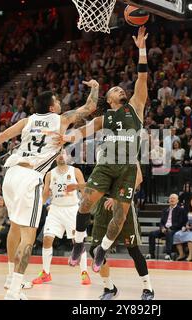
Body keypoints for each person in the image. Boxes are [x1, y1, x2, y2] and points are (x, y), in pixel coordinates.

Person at [0, 80, 100, 300]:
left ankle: (11, 278)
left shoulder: (28, 120)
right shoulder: (61, 120)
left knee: (15, 228)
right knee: (28, 236)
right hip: (30, 177)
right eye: (57, 101)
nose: (60, 103)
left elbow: (1, 137)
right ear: (51, 107)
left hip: (11, 174)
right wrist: (94, 86)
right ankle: (15, 291)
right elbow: (90, 107)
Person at [65, 27, 149, 272]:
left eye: (122, 89)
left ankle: (102, 248)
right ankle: (79, 244)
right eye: (115, 89)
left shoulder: (135, 107)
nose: (121, 90)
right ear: (109, 98)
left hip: (127, 168)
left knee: (120, 218)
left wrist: (141, 48)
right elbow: (81, 132)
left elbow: (142, 77)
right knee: (85, 205)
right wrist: (64, 138)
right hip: (106, 165)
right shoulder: (104, 118)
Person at [83, 165, 154, 300]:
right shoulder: (103, 153)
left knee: (133, 250)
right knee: (94, 250)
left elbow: (138, 178)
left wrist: (116, 197)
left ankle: (148, 288)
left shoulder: (130, 153)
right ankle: (109, 288)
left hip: (123, 203)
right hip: (103, 206)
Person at [31, 150, 91, 286]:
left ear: (67, 156)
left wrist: (87, 205)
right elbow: (45, 194)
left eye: (62, 154)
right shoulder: (49, 174)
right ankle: (45, 273)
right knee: (47, 239)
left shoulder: (75, 171)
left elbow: (84, 190)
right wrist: (36, 207)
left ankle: (84, 272)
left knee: (78, 242)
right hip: (55, 209)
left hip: (72, 209)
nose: (60, 157)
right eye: (57, 155)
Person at [147, 194, 187, 261]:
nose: (172, 200)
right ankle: (151, 254)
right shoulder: (165, 210)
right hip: (164, 229)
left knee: (169, 232)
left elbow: (180, 222)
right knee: (152, 233)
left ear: (177, 200)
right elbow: (162, 222)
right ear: (169, 200)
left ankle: (168, 254)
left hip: (174, 229)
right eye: (170, 198)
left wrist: (170, 228)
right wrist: (162, 228)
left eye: (174, 198)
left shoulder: (180, 210)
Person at [173, 196, 192, 262]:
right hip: (187, 229)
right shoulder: (187, 212)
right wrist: (185, 226)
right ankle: (181, 254)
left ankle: (190, 255)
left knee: (190, 236)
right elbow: (183, 222)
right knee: (177, 234)